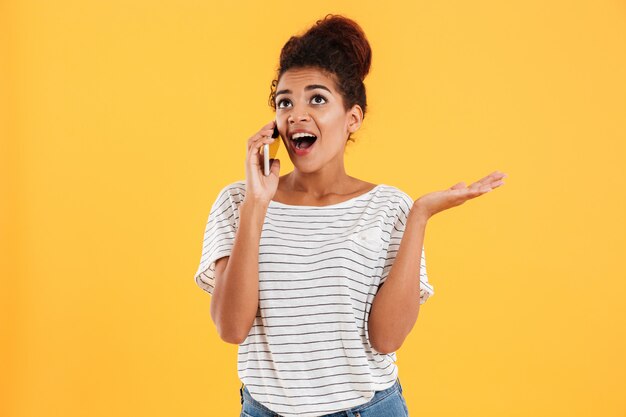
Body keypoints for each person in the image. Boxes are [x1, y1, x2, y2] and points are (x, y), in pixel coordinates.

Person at [194, 14, 507, 417]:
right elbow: (231, 328)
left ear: (352, 118)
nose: (297, 114)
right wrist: (257, 203)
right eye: (285, 102)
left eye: (317, 99)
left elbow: (387, 338)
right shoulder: (238, 202)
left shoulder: (388, 207)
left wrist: (419, 217)